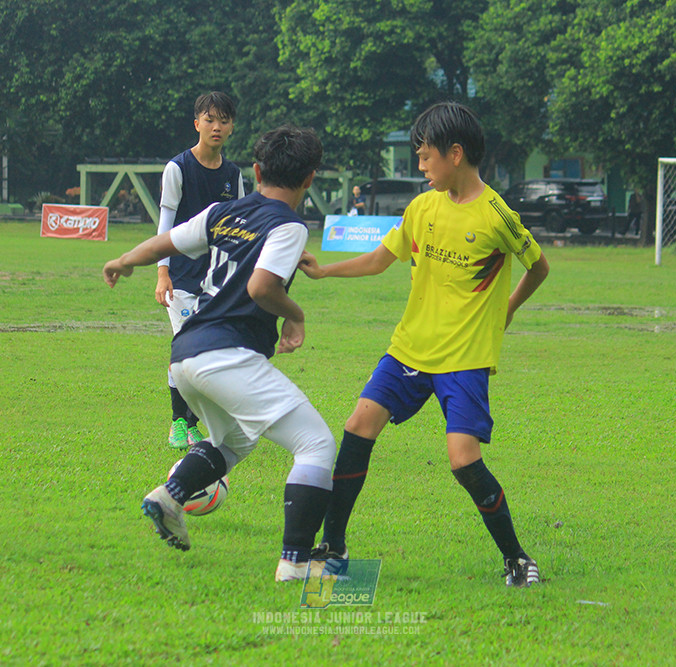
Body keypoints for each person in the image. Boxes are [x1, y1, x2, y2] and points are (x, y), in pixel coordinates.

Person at [298, 102, 550, 587]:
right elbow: (379, 260)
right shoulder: (422, 207)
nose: (420, 166)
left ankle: (517, 559)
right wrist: (325, 270)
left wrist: (508, 308)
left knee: (463, 460)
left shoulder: (496, 214)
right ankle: (333, 546)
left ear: (455, 154)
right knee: (357, 426)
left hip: (464, 357)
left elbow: (538, 266)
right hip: (409, 348)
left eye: (425, 156)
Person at [103, 126, 336, 582]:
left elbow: (165, 242)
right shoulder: (289, 225)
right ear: (310, 179)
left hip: (185, 354)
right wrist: (296, 315)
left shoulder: (222, 211)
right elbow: (262, 287)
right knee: (316, 445)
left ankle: (170, 496)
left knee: (235, 440)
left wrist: (124, 261)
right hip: (227, 355)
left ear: (256, 171)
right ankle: (295, 563)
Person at [155, 92, 246, 449]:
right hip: (180, 276)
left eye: (223, 120)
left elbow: (240, 228)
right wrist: (163, 272)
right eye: (209, 120)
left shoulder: (233, 175)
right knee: (187, 350)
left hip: (218, 278)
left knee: (207, 353)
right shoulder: (177, 168)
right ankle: (179, 424)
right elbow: (165, 223)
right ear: (197, 124)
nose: (216, 127)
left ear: (232, 126)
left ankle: (192, 424)